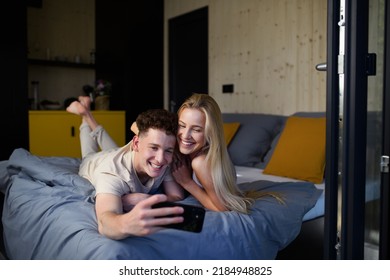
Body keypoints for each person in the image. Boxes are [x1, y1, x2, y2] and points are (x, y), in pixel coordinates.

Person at [131, 93, 283, 214]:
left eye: (196, 129)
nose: (185, 135)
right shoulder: (179, 144)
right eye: (182, 126)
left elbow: (222, 208)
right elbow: (134, 126)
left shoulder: (201, 162)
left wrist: (187, 182)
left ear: (210, 132)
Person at [66, 96, 185, 240]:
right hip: (96, 162)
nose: (160, 159)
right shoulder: (111, 173)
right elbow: (105, 222)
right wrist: (127, 224)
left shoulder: (164, 160)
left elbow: (177, 196)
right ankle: (85, 116)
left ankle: (87, 113)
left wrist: (145, 199)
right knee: (89, 154)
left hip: (121, 154)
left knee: (115, 149)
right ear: (136, 144)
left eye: (168, 150)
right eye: (154, 147)